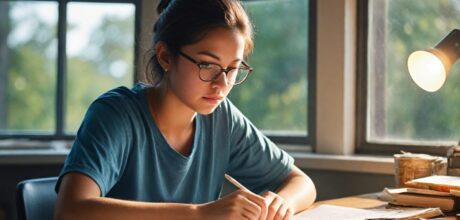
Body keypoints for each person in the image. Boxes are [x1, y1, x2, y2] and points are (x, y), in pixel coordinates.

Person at [54, 0, 316, 219]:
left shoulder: (222, 117)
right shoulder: (116, 114)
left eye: (233, 68)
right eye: (207, 65)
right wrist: (199, 214)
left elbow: (302, 184)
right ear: (165, 57)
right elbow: (70, 209)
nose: (222, 84)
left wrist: (280, 204)